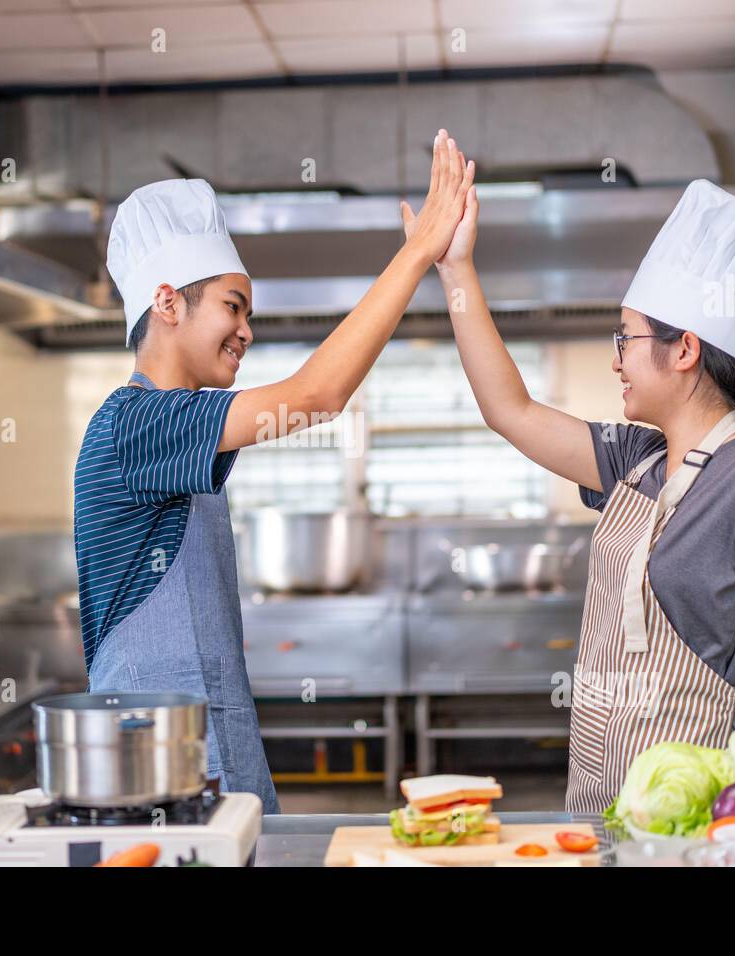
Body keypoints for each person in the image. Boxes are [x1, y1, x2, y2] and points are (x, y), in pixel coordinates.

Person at [411, 176, 735, 813]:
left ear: (684, 349)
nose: (616, 360)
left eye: (624, 339)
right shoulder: (635, 460)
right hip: (598, 807)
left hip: (706, 813)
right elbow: (509, 410)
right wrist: (456, 268)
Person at [75, 131, 475, 814]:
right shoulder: (135, 424)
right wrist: (417, 254)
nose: (247, 331)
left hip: (199, 754)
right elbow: (317, 396)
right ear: (168, 303)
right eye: (234, 306)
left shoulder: (177, 422)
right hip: (157, 774)